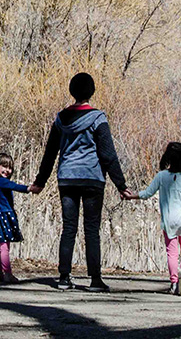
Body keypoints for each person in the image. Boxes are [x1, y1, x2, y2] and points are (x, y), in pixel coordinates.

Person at [29, 72, 132, 292]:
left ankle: (64, 278)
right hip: (92, 179)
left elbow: (50, 153)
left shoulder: (60, 119)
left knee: (69, 228)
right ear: (92, 91)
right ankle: (95, 279)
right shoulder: (98, 118)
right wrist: (121, 185)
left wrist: (40, 182)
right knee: (91, 229)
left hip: (67, 178)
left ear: (72, 91)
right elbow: (108, 154)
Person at [124, 141, 181, 295]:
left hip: (168, 221)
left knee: (171, 252)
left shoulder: (161, 176)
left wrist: (132, 196)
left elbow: (147, 193)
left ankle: (173, 283)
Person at [0, 151, 32, 283]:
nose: (7, 170)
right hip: (4, 216)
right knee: (4, 247)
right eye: (4, 166)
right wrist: (29, 188)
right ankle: (7, 273)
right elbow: (15, 186)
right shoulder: (1, 181)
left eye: (10, 167)